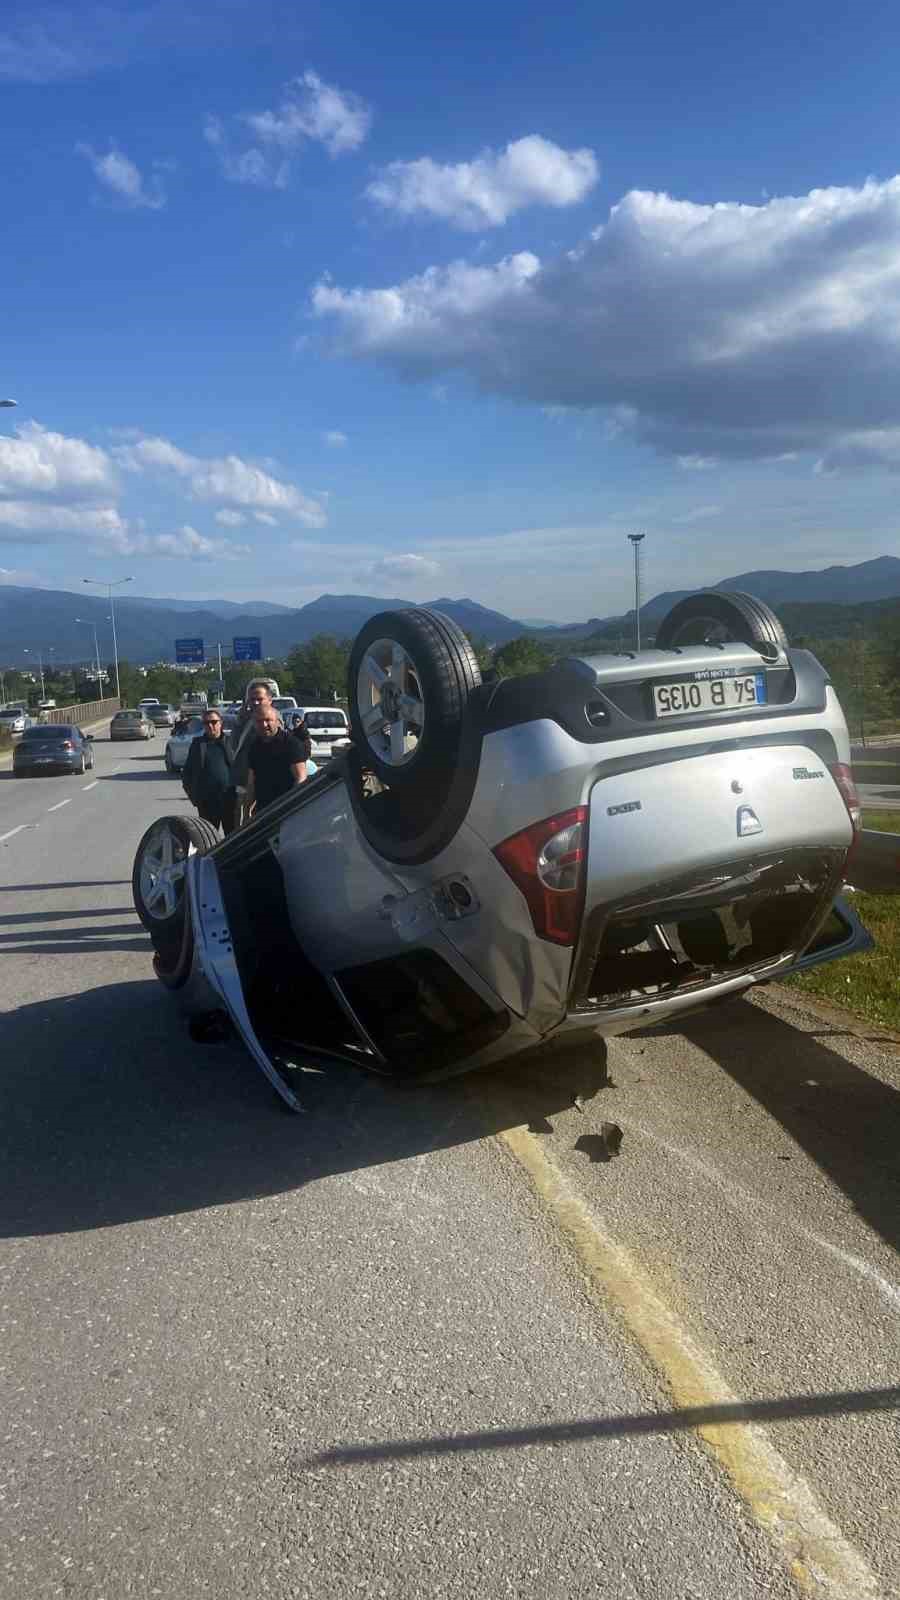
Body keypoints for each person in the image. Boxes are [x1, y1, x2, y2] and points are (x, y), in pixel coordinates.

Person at [245, 706, 308, 816]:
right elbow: (251, 782)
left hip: (287, 809)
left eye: (268, 720)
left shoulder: (291, 743)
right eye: (259, 721)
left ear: (277, 722)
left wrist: (291, 806)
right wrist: (247, 811)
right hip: (263, 810)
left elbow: (301, 778)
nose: (264, 725)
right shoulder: (254, 746)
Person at [182, 708, 236, 833]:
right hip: (207, 803)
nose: (210, 726)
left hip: (229, 800)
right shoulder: (198, 745)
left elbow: (240, 769)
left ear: (221, 723)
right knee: (209, 838)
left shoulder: (231, 742)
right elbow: (187, 774)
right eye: (206, 723)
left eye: (214, 722)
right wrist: (194, 798)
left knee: (232, 835)